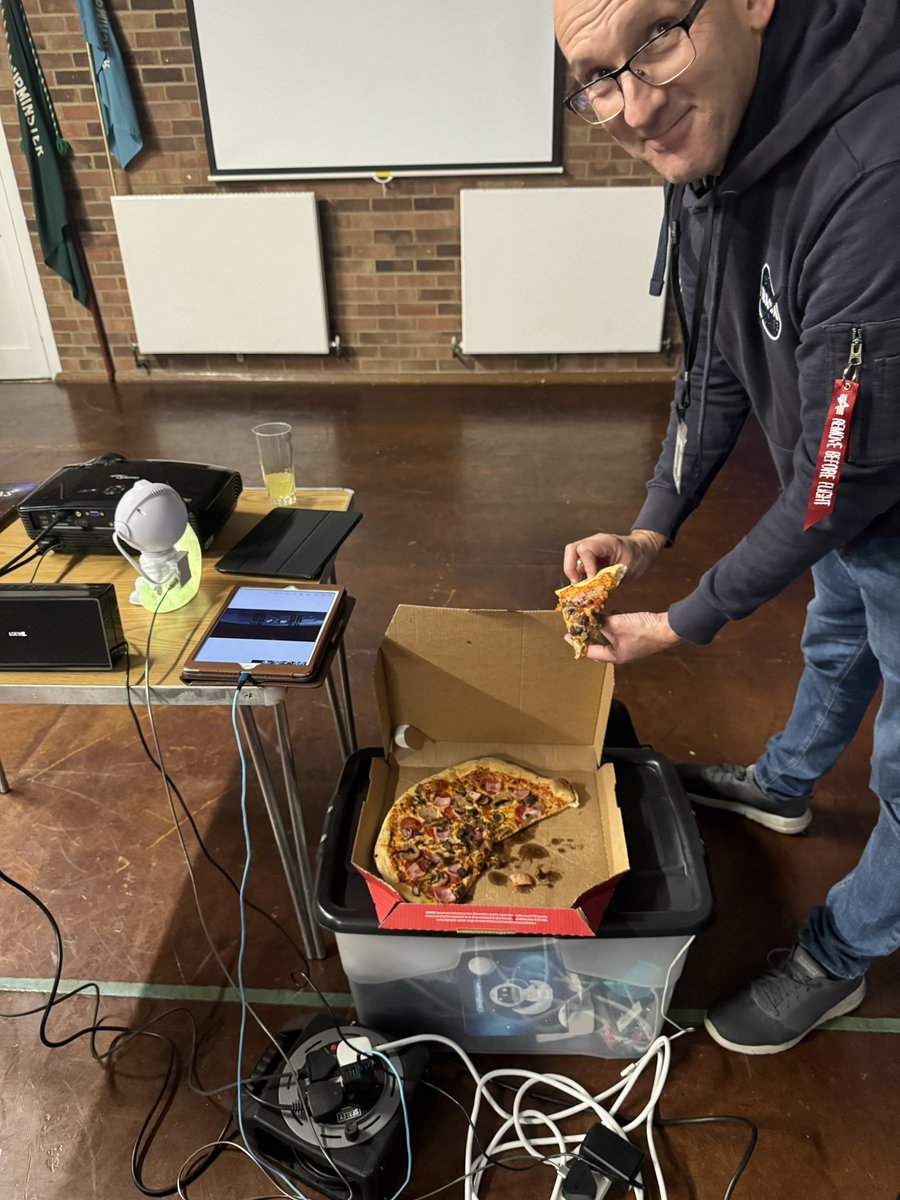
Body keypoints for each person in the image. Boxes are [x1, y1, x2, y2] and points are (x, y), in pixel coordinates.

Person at [553, 0, 900, 1055]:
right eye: (598, 77)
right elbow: (712, 369)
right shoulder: (712, 145)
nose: (633, 105)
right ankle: (787, 786)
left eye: (657, 36)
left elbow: (839, 486)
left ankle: (840, 953)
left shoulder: (874, 171)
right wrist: (651, 530)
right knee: (837, 631)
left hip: (878, 488)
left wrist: (685, 621)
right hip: (856, 488)